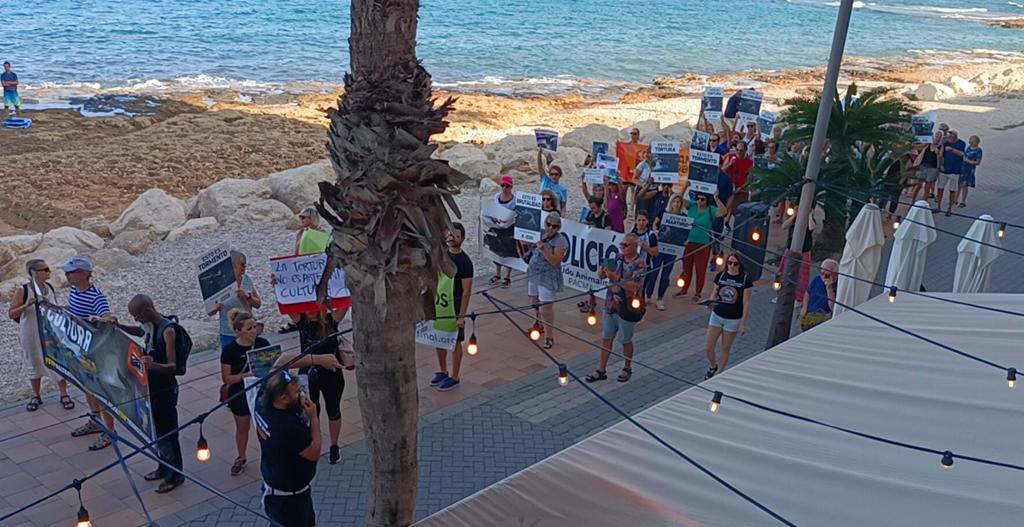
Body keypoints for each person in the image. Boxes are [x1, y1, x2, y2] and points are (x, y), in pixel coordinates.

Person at [122, 295, 184, 493]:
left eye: (137, 315)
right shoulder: (149, 325)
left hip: (165, 390)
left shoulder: (168, 331)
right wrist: (118, 326)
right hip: (152, 388)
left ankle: (175, 474)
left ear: (147, 310)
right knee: (157, 432)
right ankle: (163, 466)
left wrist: (153, 364)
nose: (136, 320)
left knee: (168, 433)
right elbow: (139, 331)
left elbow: (174, 366)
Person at [63, 256, 119, 451]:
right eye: (67, 272)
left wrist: (104, 319)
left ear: (84, 274)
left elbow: (107, 315)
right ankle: (95, 420)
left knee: (100, 391)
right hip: (81, 349)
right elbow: (75, 311)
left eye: (72, 272)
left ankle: (110, 431)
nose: (67, 275)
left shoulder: (96, 296)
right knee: (87, 387)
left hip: (96, 352)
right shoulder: (73, 290)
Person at [256, 371, 320, 527]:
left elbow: (278, 364)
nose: (302, 394)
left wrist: (317, 358)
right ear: (283, 399)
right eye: (298, 392)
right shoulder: (287, 426)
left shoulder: (261, 404)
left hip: (275, 489)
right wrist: (313, 417)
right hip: (290, 502)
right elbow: (314, 452)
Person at [8, 259, 74, 412]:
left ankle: (63, 393)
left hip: (50, 332)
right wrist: (27, 305)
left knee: (58, 360)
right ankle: (36, 395)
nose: (49, 272)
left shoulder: (49, 287)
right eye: (45, 269)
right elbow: (11, 313)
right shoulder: (23, 290)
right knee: (34, 362)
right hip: (31, 333)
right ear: (35, 273)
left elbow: (54, 307)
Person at [586, 233, 646, 383]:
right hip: (610, 304)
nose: (622, 248)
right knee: (606, 338)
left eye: (626, 245)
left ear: (635, 246)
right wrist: (603, 272)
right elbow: (602, 276)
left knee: (625, 340)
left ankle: (627, 367)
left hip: (627, 307)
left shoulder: (640, 264)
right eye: (621, 244)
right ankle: (601, 369)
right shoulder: (618, 258)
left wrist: (615, 278)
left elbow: (634, 286)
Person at [219, 310, 269, 476]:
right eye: (249, 328)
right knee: (242, 427)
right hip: (240, 393)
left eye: (255, 326)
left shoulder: (263, 343)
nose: (254, 330)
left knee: (265, 425)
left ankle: (269, 456)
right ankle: (241, 457)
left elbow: (272, 364)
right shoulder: (229, 351)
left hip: (262, 391)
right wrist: (245, 376)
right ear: (238, 331)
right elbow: (227, 378)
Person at [431, 222, 474, 392]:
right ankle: (442, 370)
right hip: (439, 303)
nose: (451, 237)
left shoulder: (465, 262)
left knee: (456, 342)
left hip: (455, 305)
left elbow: (466, 291)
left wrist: (462, 316)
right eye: (449, 234)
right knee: (439, 338)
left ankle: (455, 376)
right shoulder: (442, 255)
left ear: (462, 238)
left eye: (455, 235)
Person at [703, 253, 753, 379]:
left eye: (735, 263)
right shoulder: (721, 276)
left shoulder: (745, 279)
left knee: (725, 347)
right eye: (729, 263)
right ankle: (713, 365)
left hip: (733, 318)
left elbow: (746, 302)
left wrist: (743, 323)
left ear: (739, 265)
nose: (732, 266)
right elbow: (714, 293)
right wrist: (711, 302)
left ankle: (719, 374)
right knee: (708, 347)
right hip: (717, 314)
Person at [676, 187, 727, 301]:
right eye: (698, 198)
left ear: (707, 200)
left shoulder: (711, 210)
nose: (699, 201)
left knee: (700, 269)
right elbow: (679, 198)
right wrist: (685, 186)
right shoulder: (692, 206)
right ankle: (684, 289)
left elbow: (723, 212)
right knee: (686, 267)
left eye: (702, 199)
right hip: (689, 242)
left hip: (703, 244)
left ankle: (698, 292)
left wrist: (717, 199)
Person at [527, 212, 568, 349]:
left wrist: (544, 248)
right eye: (549, 225)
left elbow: (555, 261)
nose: (551, 228)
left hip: (548, 275)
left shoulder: (560, 241)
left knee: (547, 307)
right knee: (534, 300)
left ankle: (549, 336)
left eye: (555, 226)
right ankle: (538, 322)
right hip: (534, 272)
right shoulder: (540, 233)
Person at [210, 250, 262, 350]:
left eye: (245, 265)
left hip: (247, 330)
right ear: (232, 266)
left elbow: (258, 304)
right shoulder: (219, 284)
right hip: (228, 332)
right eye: (242, 264)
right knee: (230, 359)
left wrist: (247, 297)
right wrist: (216, 309)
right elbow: (210, 312)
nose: (244, 268)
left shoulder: (246, 279)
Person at [779, 206, 817, 305]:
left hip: (803, 250)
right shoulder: (795, 218)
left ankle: (799, 298)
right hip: (790, 248)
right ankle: (781, 293)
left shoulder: (810, 220)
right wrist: (794, 215)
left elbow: (812, 227)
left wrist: (809, 214)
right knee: (784, 271)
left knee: (802, 276)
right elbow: (784, 226)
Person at [631, 210, 666, 310]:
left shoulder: (651, 235)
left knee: (641, 289)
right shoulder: (632, 234)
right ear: (635, 221)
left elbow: (655, 252)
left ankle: (639, 308)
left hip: (645, 266)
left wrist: (645, 247)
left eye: (643, 220)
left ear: (647, 221)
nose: (641, 222)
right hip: (632, 266)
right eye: (639, 220)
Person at [489, 175, 516, 288]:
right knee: (497, 250)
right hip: (497, 227)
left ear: (511, 187)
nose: (504, 188)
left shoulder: (514, 201)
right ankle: (497, 274)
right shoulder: (496, 197)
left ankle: (508, 277)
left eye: (507, 186)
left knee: (509, 251)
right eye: (503, 185)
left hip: (509, 228)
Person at [800, 259, 838, 331]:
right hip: (810, 314)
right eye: (822, 273)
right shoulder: (817, 279)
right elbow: (808, 292)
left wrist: (829, 289)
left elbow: (834, 308)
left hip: (823, 317)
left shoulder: (838, 286)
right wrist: (804, 308)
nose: (823, 277)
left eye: (826, 275)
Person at [721, 140, 753, 220]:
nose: (738, 152)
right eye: (737, 150)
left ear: (745, 150)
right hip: (729, 188)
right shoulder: (731, 157)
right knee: (726, 209)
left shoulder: (750, 162)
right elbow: (722, 170)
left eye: (741, 150)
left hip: (741, 190)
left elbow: (750, 179)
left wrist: (741, 188)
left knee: (738, 212)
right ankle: (726, 223)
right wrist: (730, 164)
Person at [937, 129, 966, 216]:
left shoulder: (961, 143)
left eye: (951, 136)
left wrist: (952, 149)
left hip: (955, 170)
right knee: (940, 188)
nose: (949, 137)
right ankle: (938, 206)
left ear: (955, 136)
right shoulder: (945, 142)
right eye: (948, 136)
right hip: (944, 170)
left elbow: (962, 154)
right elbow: (941, 154)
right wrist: (940, 164)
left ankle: (949, 208)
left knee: (952, 190)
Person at [537, 150, 568, 216]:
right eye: (552, 174)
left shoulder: (562, 190)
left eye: (556, 174)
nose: (554, 176)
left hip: (554, 213)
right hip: (541, 210)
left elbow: (563, 206)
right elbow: (540, 166)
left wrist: (562, 217)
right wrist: (539, 152)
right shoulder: (545, 180)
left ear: (560, 175)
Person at [958, 135, 982, 209]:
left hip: (969, 169)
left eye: (972, 141)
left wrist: (968, 161)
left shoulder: (978, 150)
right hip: (962, 167)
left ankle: (963, 201)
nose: (970, 142)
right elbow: (964, 155)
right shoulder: (968, 147)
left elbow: (978, 162)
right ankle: (955, 199)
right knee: (958, 184)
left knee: (965, 185)